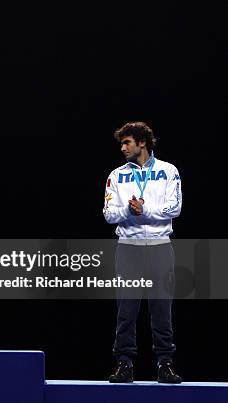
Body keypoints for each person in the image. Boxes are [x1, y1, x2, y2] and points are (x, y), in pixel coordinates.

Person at [103, 122, 182, 383]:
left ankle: (165, 364)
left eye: (127, 142)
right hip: (129, 248)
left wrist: (145, 210)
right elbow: (108, 214)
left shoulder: (168, 171)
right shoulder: (116, 176)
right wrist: (128, 210)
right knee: (127, 309)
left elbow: (175, 207)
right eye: (122, 143)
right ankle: (123, 364)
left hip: (160, 246)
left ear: (142, 143)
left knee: (161, 308)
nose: (123, 148)